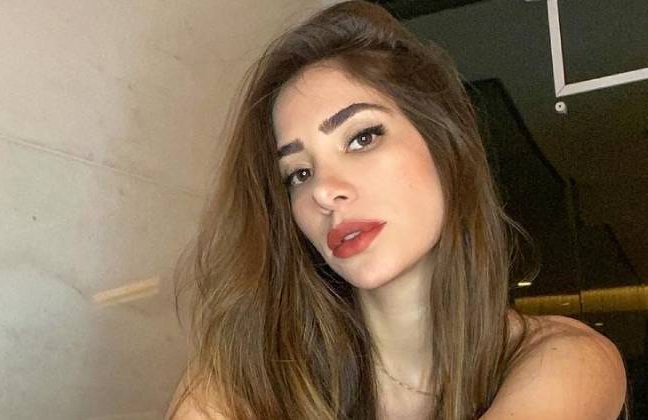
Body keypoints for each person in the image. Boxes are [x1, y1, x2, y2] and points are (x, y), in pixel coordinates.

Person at [165, 1, 629, 419]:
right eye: (299, 173)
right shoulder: (243, 379)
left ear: (444, 146)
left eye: (362, 138)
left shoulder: (568, 361)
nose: (324, 191)